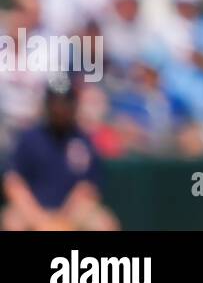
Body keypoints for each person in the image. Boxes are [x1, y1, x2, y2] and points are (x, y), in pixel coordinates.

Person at [2, 75, 119, 231]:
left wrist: (63, 222)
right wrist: (39, 219)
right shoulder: (29, 138)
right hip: (33, 211)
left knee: (104, 224)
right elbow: (13, 182)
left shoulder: (83, 140)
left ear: (73, 105)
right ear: (47, 104)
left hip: (73, 213)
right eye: (55, 103)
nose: (60, 108)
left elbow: (88, 189)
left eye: (65, 103)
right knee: (11, 223)